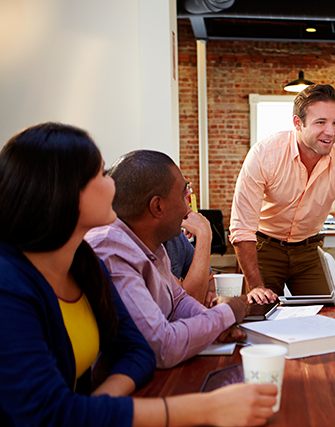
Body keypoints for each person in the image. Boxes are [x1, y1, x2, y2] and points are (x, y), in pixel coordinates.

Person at [0, 123, 276, 426]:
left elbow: (138, 350)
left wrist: (97, 403)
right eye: (101, 175)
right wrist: (206, 408)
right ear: (63, 193)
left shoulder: (83, 262)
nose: (113, 185)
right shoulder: (9, 286)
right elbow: (52, 413)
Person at [86, 150, 248, 369]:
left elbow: (178, 300)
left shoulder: (152, 243)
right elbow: (162, 346)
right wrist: (226, 313)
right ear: (157, 206)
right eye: (184, 195)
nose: (188, 205)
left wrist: (218, 325)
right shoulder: (111, 250)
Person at [230, 84, 335, 303]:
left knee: (329, 313)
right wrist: (255, 286)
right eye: (320, 122)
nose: (331, 132)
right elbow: (242, 226)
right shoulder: (265, 154)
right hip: (263, 247)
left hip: (309, 249)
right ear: (298, 123)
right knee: (259, 313)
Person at [164, 210, 216, 306]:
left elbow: (209, 279)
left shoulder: (176, 238)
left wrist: (212, 292)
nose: (188, 195)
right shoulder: (141, 244)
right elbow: (189, 305)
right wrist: (204, 233)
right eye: (181, 195)